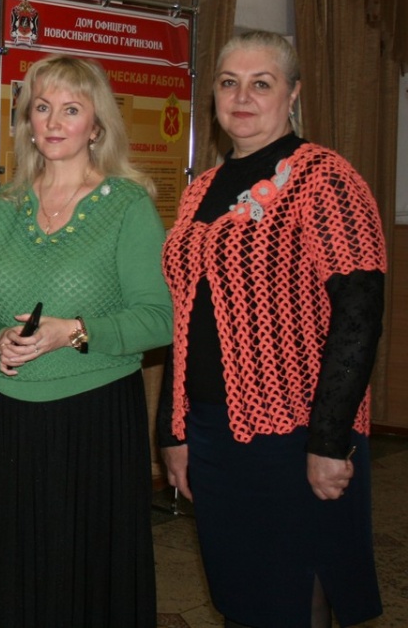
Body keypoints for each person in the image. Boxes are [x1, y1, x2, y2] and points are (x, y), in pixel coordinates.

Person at [160, 31, 385, 628]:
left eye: (261, 83)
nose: (242, 97)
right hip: (212, 431)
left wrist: (328, 441)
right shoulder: (199, 191)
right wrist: (174, 431)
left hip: (296, 431)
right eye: (228, 83)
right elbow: (186, 318)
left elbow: (359, 315)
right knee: (239, 594)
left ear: (293, 94)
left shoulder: (326, 179)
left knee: (299, 593)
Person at [0, 54, 172, 627]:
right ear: (26, 121)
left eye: (71, 109)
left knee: (87, 576)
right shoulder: (3, 205)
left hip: (95, 420)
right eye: (42, 108)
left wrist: (71, 331)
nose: (53, 121)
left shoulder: (127, 205)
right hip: (14, 421)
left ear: (96, 126)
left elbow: (160, 319)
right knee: (16, 573)